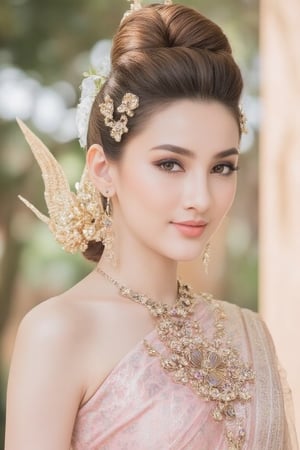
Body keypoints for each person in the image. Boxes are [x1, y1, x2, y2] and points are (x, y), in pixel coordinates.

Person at [4, 1, 298, 449]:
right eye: (170, 164)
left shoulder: (249, 330)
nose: (200, 197)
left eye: (222, 168)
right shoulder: (58, 332)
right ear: (103, 169)